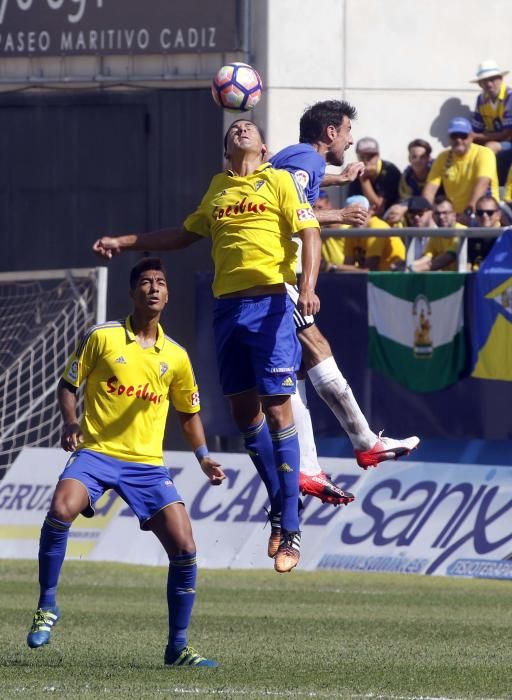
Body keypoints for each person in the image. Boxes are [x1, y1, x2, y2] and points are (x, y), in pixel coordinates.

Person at [93, 119, 323, 574]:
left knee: (278, 407)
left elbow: (310, 233)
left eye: (249, 126)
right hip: (227, 309)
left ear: (264, 145)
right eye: (235, 127)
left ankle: (292, 527)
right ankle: (280, 501)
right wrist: (125, 241)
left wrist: (308, 286)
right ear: (225, 147)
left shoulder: (277, 180)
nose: (241, 129)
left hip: (271, 302)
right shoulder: (218, 188)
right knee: (243, 414)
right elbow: (182, 235)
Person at [26, 257, 226, 668]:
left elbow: (188, 414)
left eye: (161, 283)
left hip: (147, 465)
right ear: (133, 292)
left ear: (167, 295)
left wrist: (203, 458)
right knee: (61, 508)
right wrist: (70, 422)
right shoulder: (102, 336)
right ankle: (47, 605)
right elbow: (68, 385)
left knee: (185, 547)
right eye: (146, 282)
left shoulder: (177, 356)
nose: (154, 288)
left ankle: (178, 647)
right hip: (96, 453)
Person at [268, 102, 419, 505]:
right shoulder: (305, 159)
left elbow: (288, 194)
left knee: (295, 368)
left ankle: (309, 468)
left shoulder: (293, 158)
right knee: (315, 349)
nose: (351, 139)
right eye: (348, 130)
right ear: (331, 132)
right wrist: (339, 215)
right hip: (273, 275)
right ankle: (362, 441)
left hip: (264, 275)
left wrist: (339, 178)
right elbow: (288, 215)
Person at [422, 117, 499, 223]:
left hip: (481, 215)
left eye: (463, 136)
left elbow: (482, 184)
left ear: (472, 136)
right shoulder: (442, 157)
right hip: (453, 218)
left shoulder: (484, 153)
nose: (458, 140)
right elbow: (429, 190)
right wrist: (427, 212)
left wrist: (469, 211)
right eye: (454, 136)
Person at [470, 59, 512, 184]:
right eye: (484, 81)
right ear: (480, 84)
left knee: (489, 148)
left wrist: (475, 136)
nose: (489, 84)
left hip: (509, 141)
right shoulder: (481, 99)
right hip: (495, 140)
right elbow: (475, 128)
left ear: (500, 79)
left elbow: (506, 134)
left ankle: (490, 186)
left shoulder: (510, 96)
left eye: (492, 79)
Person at [347, 136, 401, 217]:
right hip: (366, 216)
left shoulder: (390, 171)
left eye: (370, 157)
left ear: (378, 155)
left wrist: (364, 178)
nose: (366, 161)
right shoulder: (355, 172)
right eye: (362, 157)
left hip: (390, 216)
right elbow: (354, 204)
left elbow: (379, 207)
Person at [411, 196, 466, 272]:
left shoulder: (462, 231)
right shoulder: (436, 234)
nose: (441, 217)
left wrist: (413, 268)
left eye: (445, 213)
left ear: (454, 215)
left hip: (463, 281)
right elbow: (427, 258)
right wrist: (408, 265)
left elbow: (446, 259)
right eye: (437, 213)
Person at [468, 195, 502, 270]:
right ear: (475, 215)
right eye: (480, 213)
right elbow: (466, 267)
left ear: (498, 215)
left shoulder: (508, 238)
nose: (484, 216)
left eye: (490, 212)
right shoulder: (469, 238)